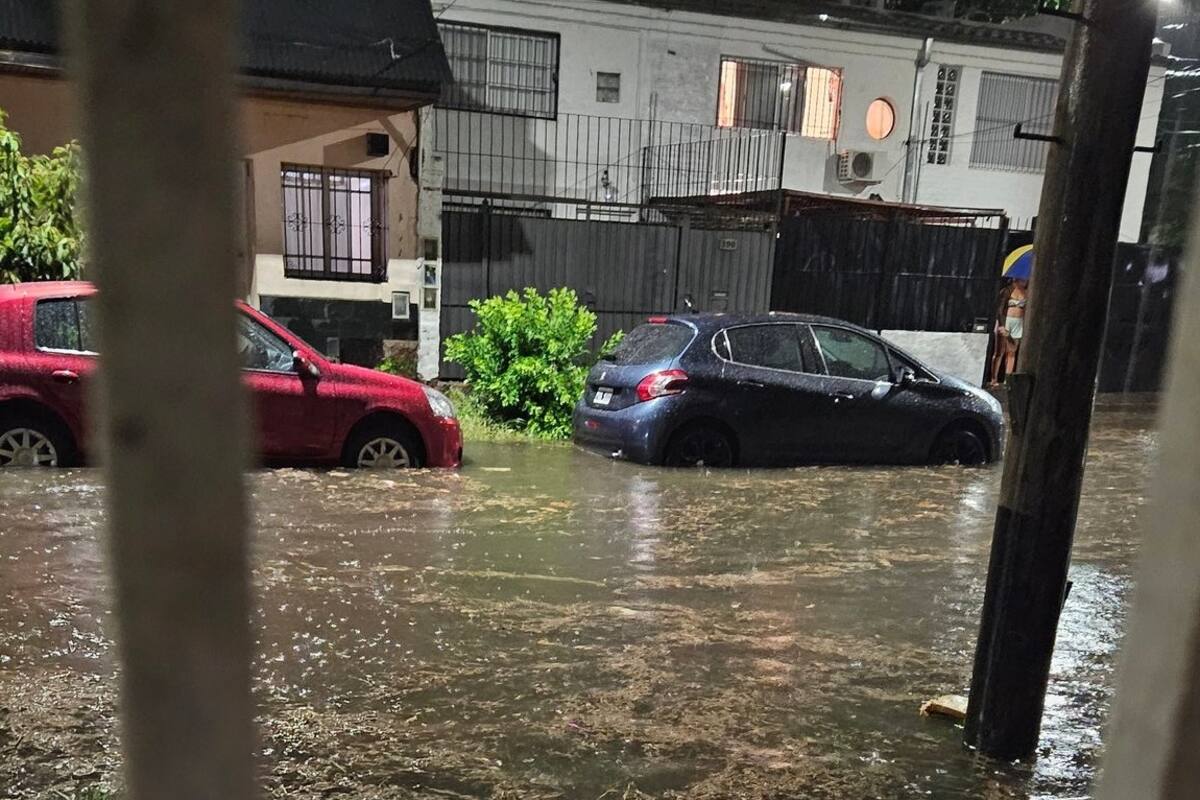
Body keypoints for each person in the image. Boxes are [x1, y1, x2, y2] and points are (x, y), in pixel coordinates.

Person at [988, 278, 1028, 387]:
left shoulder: (1026, 292)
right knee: (999, 352)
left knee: (1011, 352)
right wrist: (1002, 325)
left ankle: (1008, 379)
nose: (1025, 281)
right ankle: (994, 379)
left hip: (1018, 322)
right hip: (1006, 321)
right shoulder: (1007, 291)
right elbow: (999, 309)